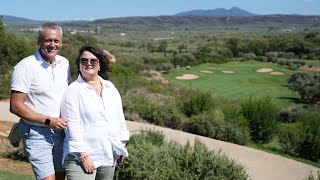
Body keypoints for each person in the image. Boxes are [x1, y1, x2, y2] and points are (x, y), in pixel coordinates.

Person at [10, 23, 72, 180]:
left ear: (61, 43)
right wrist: (48, 120)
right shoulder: (26, 67)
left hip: (61, 132)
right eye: (47, 41)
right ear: (38, 41)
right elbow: (16, 105)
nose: (52, 45)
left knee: (60, 177)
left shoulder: (64, 64)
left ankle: (18, 129)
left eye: (56, 41)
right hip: (36, 132)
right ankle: (20, 129)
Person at [61, 46, 129, 180]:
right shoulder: (73, 91)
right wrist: (83, 156)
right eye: (84, 60)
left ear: (100, 65)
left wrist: (121, 145)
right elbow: (71, 126)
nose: (88, 63)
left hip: (107, 155)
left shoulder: (110, 88)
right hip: (80, 158)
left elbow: (119, 119)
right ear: (79, 65)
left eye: (93, 60)